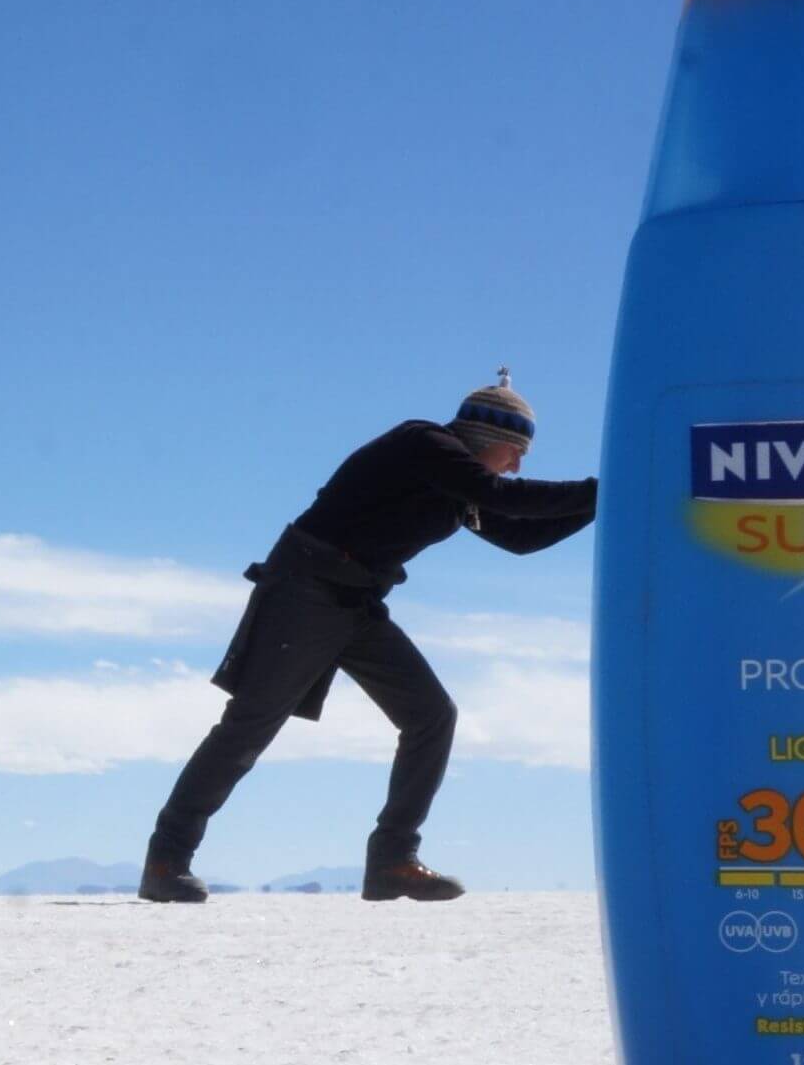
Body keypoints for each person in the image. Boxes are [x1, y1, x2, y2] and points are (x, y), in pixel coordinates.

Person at [140, 370, 596, 905]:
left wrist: (607, 505)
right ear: (489, 439)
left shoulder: (456, 487)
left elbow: (520, 536)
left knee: (431, 716)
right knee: (249, 728)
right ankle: (167, 858)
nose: (519, 465)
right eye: (516, 451)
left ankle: (392, 861)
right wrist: (607, 487)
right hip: (305, 588)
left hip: (357, 604)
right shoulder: (424, 443)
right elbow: (506, 497)